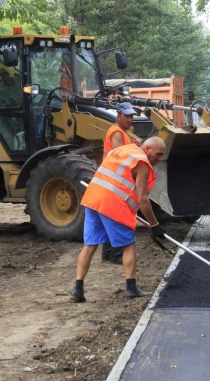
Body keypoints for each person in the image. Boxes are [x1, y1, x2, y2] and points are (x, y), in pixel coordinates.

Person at [70, 137, 167, 302]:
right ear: (148, 148)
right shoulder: (142, 162)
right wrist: (154, 225)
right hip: (112, 204)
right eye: (158, 154)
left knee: (90, 245)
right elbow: (143, 200)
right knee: (128, 244)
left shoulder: (123, 150)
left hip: (93, 200)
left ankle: (77, 289)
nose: (160, 159)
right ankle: (131, 288)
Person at [100, 102, 137, 264]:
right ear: (119, 115)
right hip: (115, 180)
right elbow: (118, 157)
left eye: (131, 116)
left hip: (112, 179)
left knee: (110, 217)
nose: (129, 119)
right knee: (118, 217)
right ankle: (115, 256)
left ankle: (107, 254)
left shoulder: (121, 132)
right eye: (126, 116)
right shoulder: (116, 132)